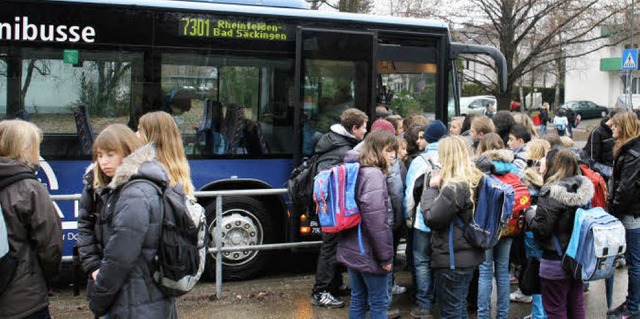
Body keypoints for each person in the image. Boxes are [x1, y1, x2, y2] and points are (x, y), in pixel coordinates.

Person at [86, 124, 177, 318]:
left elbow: (121, 255)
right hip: (140, 297)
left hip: (134, 300)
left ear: (128, 151)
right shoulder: (120, 187)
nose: (103, 162)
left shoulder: (134, 194)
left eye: (110, 154)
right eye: (100, 155)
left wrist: (98, 299)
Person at [0, 119, 63, 319]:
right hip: (23, 298)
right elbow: (50, 246)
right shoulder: (29, 188)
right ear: (25, 149)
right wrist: (47, 278)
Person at [526, 148, 594, 319]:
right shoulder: (581, 188)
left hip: (555, 261)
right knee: (576, 306)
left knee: (555, 310)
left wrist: (529, 215)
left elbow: (541, 230)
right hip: (576, 259)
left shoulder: (550, 193)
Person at [423, 136, 485, 318]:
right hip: (469, 253)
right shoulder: (475, 179)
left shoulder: (455, 187)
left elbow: (432, 218)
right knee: (458, 307)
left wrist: (432, 189)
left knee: (451, 312)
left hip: (453, 259)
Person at [311, 108, 368, 308]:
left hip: (331, 208)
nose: (365, 132)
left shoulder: (333, 140)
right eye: (363, 128)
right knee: (329, 248)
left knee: (334, 247)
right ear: (353, 128)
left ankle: (334, 285)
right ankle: (321, 291)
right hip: (333, 209)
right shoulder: (342, 150)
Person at [337, 130, 397, 319]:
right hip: (368, 250)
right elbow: (377, 222)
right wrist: (386, 257)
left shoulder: (355, 168)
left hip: (351, 245)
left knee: (358, 298)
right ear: (377, 150)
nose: (393, 155)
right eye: (388, 150)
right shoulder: (374, 175)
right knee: (379, 302)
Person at [404, 120, 448, 319]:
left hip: (423, 219)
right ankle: (442, 300)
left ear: (427, 138)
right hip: (447, 218)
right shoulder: (451, 157)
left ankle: (424, 304)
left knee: (421, 260)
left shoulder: (419, 161)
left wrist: (409, 216)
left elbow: (410, 194)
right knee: (442, 260)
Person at [473, 133, 518, 319]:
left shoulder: (480, 168)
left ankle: (483, 315)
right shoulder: (512, 167)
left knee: (484, 272)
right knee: (502, 270)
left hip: (486, 227)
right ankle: (503, 315)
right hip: (508, 225)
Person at [607, 111, 640, 319]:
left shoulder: (632, 154)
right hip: (630, 211)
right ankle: (632, 301)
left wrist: (614, 209)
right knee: (633, 260)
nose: (612, 128)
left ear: (625, 128)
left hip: (631, 213)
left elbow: (626, 187)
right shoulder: (628, 149)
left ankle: (634, 307)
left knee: (634, 262)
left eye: (615, 125)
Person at [137, 111, 195, 198]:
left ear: (152, 136)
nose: (135, 134)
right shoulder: (178, 168)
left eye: (139, 130)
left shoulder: (147, 170)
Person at [583, 107, 625, 181]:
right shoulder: (597, 132)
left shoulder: (619, 131)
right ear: (613, 119)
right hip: (603, 175)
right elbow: (593, 159)